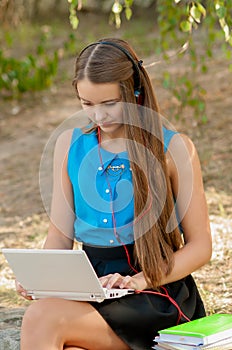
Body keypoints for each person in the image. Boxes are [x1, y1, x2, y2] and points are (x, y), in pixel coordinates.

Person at [16, 38, 212, 350]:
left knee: (41, 318)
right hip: (91, 289)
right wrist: (41, 279)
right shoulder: (69, 145)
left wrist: (140, 280)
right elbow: (59, 236)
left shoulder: (174, 149)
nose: (99, 116)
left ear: (134, 92)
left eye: (109, 104)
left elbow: (201, 247)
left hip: (154, 293)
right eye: (86, 104)